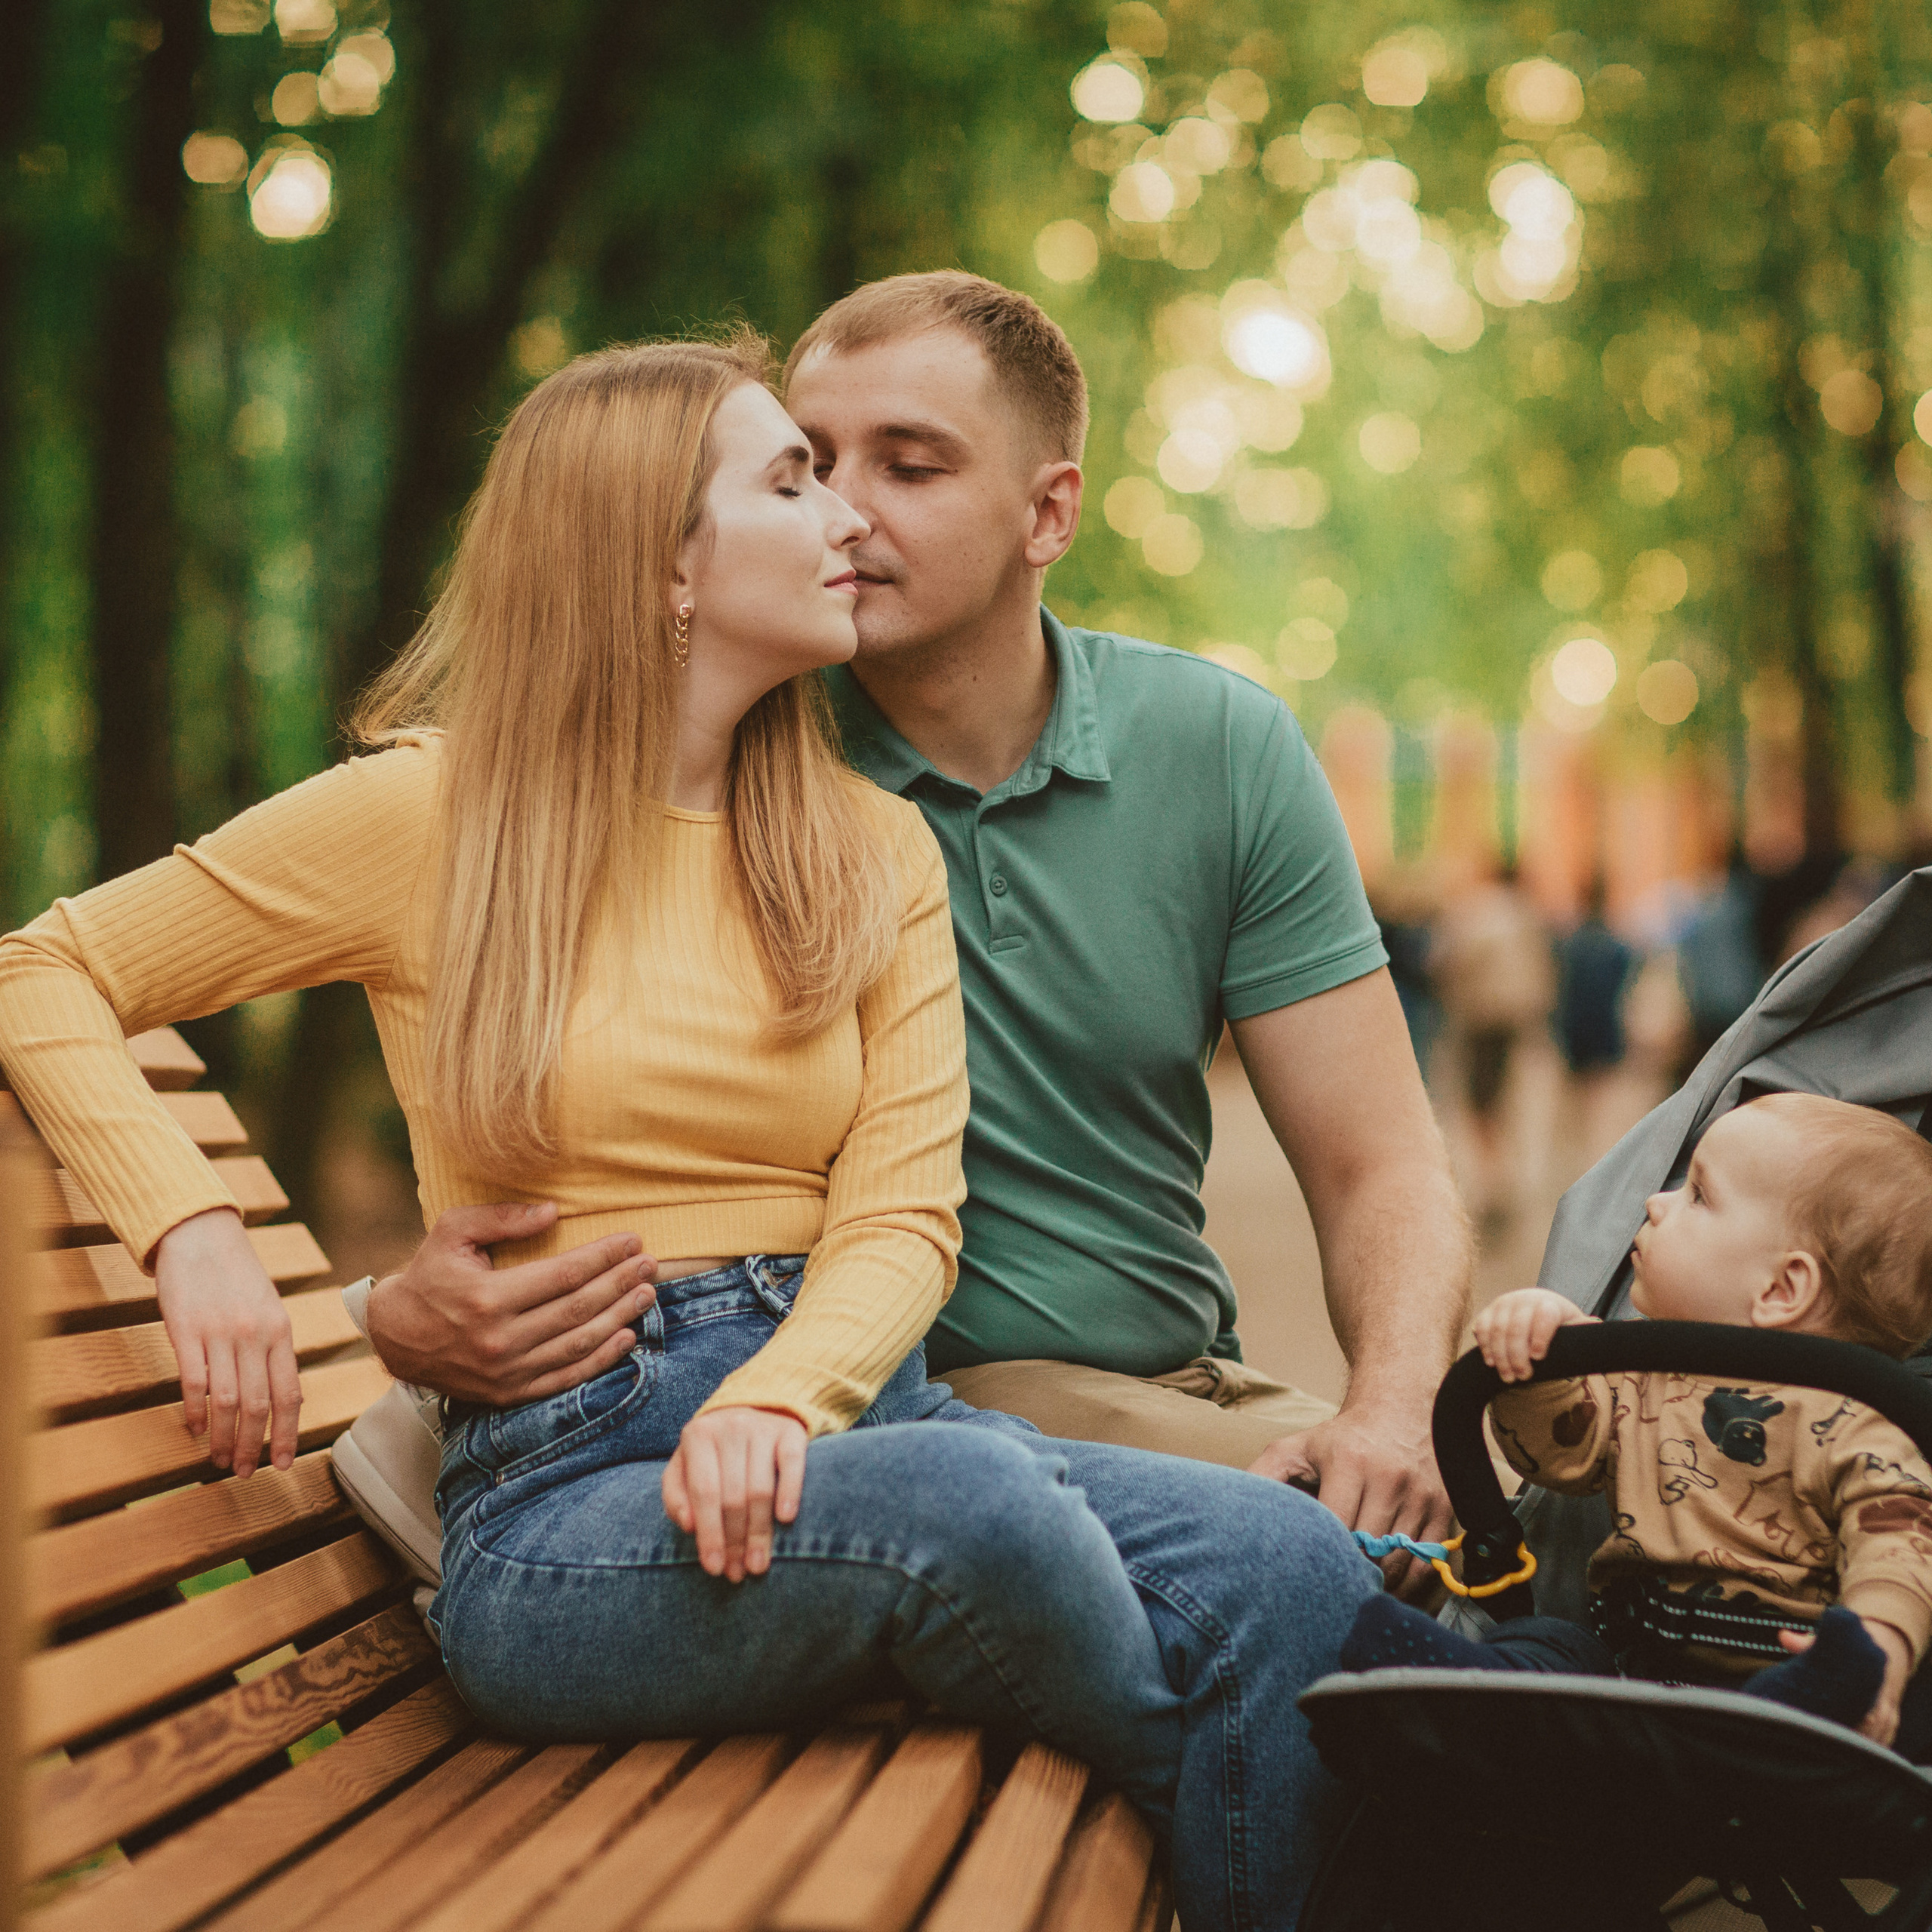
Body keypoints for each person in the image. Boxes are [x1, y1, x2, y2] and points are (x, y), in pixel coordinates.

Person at [0, 332, 1377, 1929]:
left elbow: (901, 1218)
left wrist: (787, 1394)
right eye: (792, 477)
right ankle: (1183, 1776)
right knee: (1001, 1526)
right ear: (664, 563)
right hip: (577, 1500)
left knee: (1292, 1568)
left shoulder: (860, 844)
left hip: (865, 1428)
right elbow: (45, 967)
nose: (845, 517)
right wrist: (196, 1230)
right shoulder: (425, 818)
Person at [361, 272, 1472, 1567]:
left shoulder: (1215, 745)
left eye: (911, 466)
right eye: (812, 462)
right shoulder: (724, 756)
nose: (844, 510)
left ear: (1046, 511)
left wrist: (1393, 1418)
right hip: (917, 1414)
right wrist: (383, 1317)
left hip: (1185, 1387)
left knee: (1560, 1516)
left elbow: (1379, 1163)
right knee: (1404, 1595)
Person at [1340, 1094, 1932, 1752]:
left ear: (1781, 1289)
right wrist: (1535, 1352)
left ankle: (1810, 1707)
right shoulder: (1642, 1373)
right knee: (1549, 1644)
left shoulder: (1862, 1423)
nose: (1657, 1201)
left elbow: (1901, 1550)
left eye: (1699, 1195)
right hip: (1629, 1666)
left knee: (1794, 1710)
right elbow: (1560, 1457)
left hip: (1778, 1672)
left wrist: (1878, 1654)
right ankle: (1446, 1681)